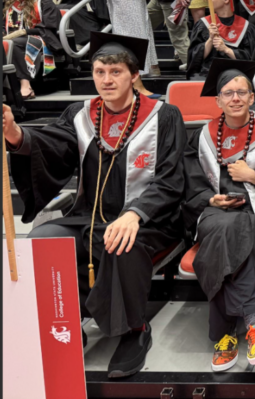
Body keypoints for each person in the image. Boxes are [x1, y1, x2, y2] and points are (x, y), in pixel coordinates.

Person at [3, 32, 186, 378]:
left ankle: (134, 330)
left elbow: (172, 178)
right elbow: (54, 146)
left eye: (115, 72)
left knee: (122, 243)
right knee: (44, 239)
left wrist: (135, 214)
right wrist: (16, 135)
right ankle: (66, 322)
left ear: (133, 76)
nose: (106, 80)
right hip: (91, 216)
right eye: (100, 71)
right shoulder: (81, 114)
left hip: (151, 220)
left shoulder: (164, 116)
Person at [183, 59, 255, 372]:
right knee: (229, 225)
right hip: (215, 212)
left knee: (231, 234)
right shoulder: (203, 136)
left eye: (241, 92)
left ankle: (226, 333)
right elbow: (190, 184)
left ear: (251, 98)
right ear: (218, 99)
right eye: (228, 93)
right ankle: (254, 322)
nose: (235, 98)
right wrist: (211, 198)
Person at [3, 0, 63, 100]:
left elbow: (49, 27)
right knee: (10, 42)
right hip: (13, 39)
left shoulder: (43, 2)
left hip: (41, 39)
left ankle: (25, 83)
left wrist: (24, 31)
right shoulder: (10, 3)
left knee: (14, 43)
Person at [186, 0, 255, 78]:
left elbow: (251, 60)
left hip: (237, 77)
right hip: (206, 76)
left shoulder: (247, 28)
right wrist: (210, 40)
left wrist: (226, 49)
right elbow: (194, 59)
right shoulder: (203, 24)